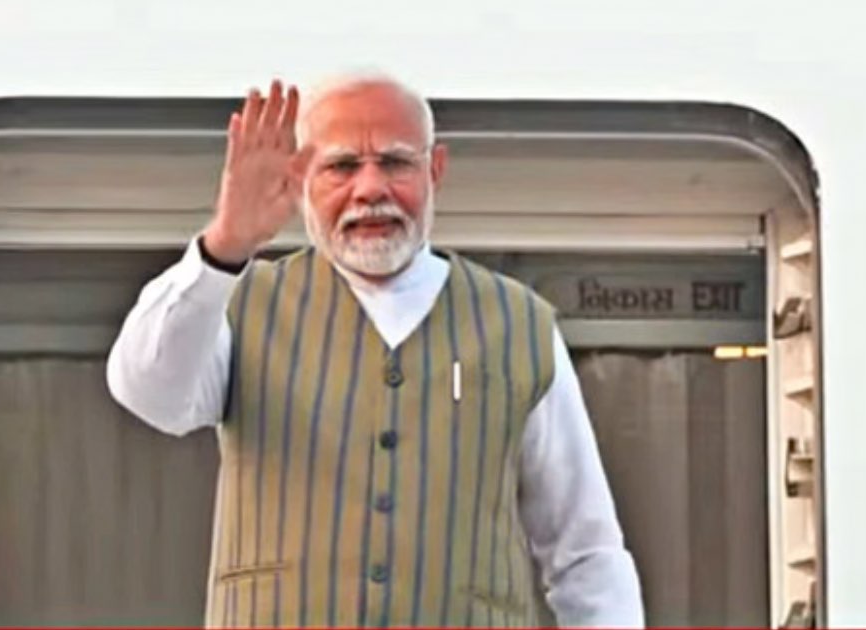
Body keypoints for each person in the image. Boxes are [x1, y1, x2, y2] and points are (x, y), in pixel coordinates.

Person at [106, 72, 644, 628]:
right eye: (341, 166)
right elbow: (150, 393)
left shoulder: (520, 324)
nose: (369, 189)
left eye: (394, 162)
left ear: (435, 170)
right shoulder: (239, 303)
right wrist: (225, 245)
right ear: (300, 176)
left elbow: (586, 554)